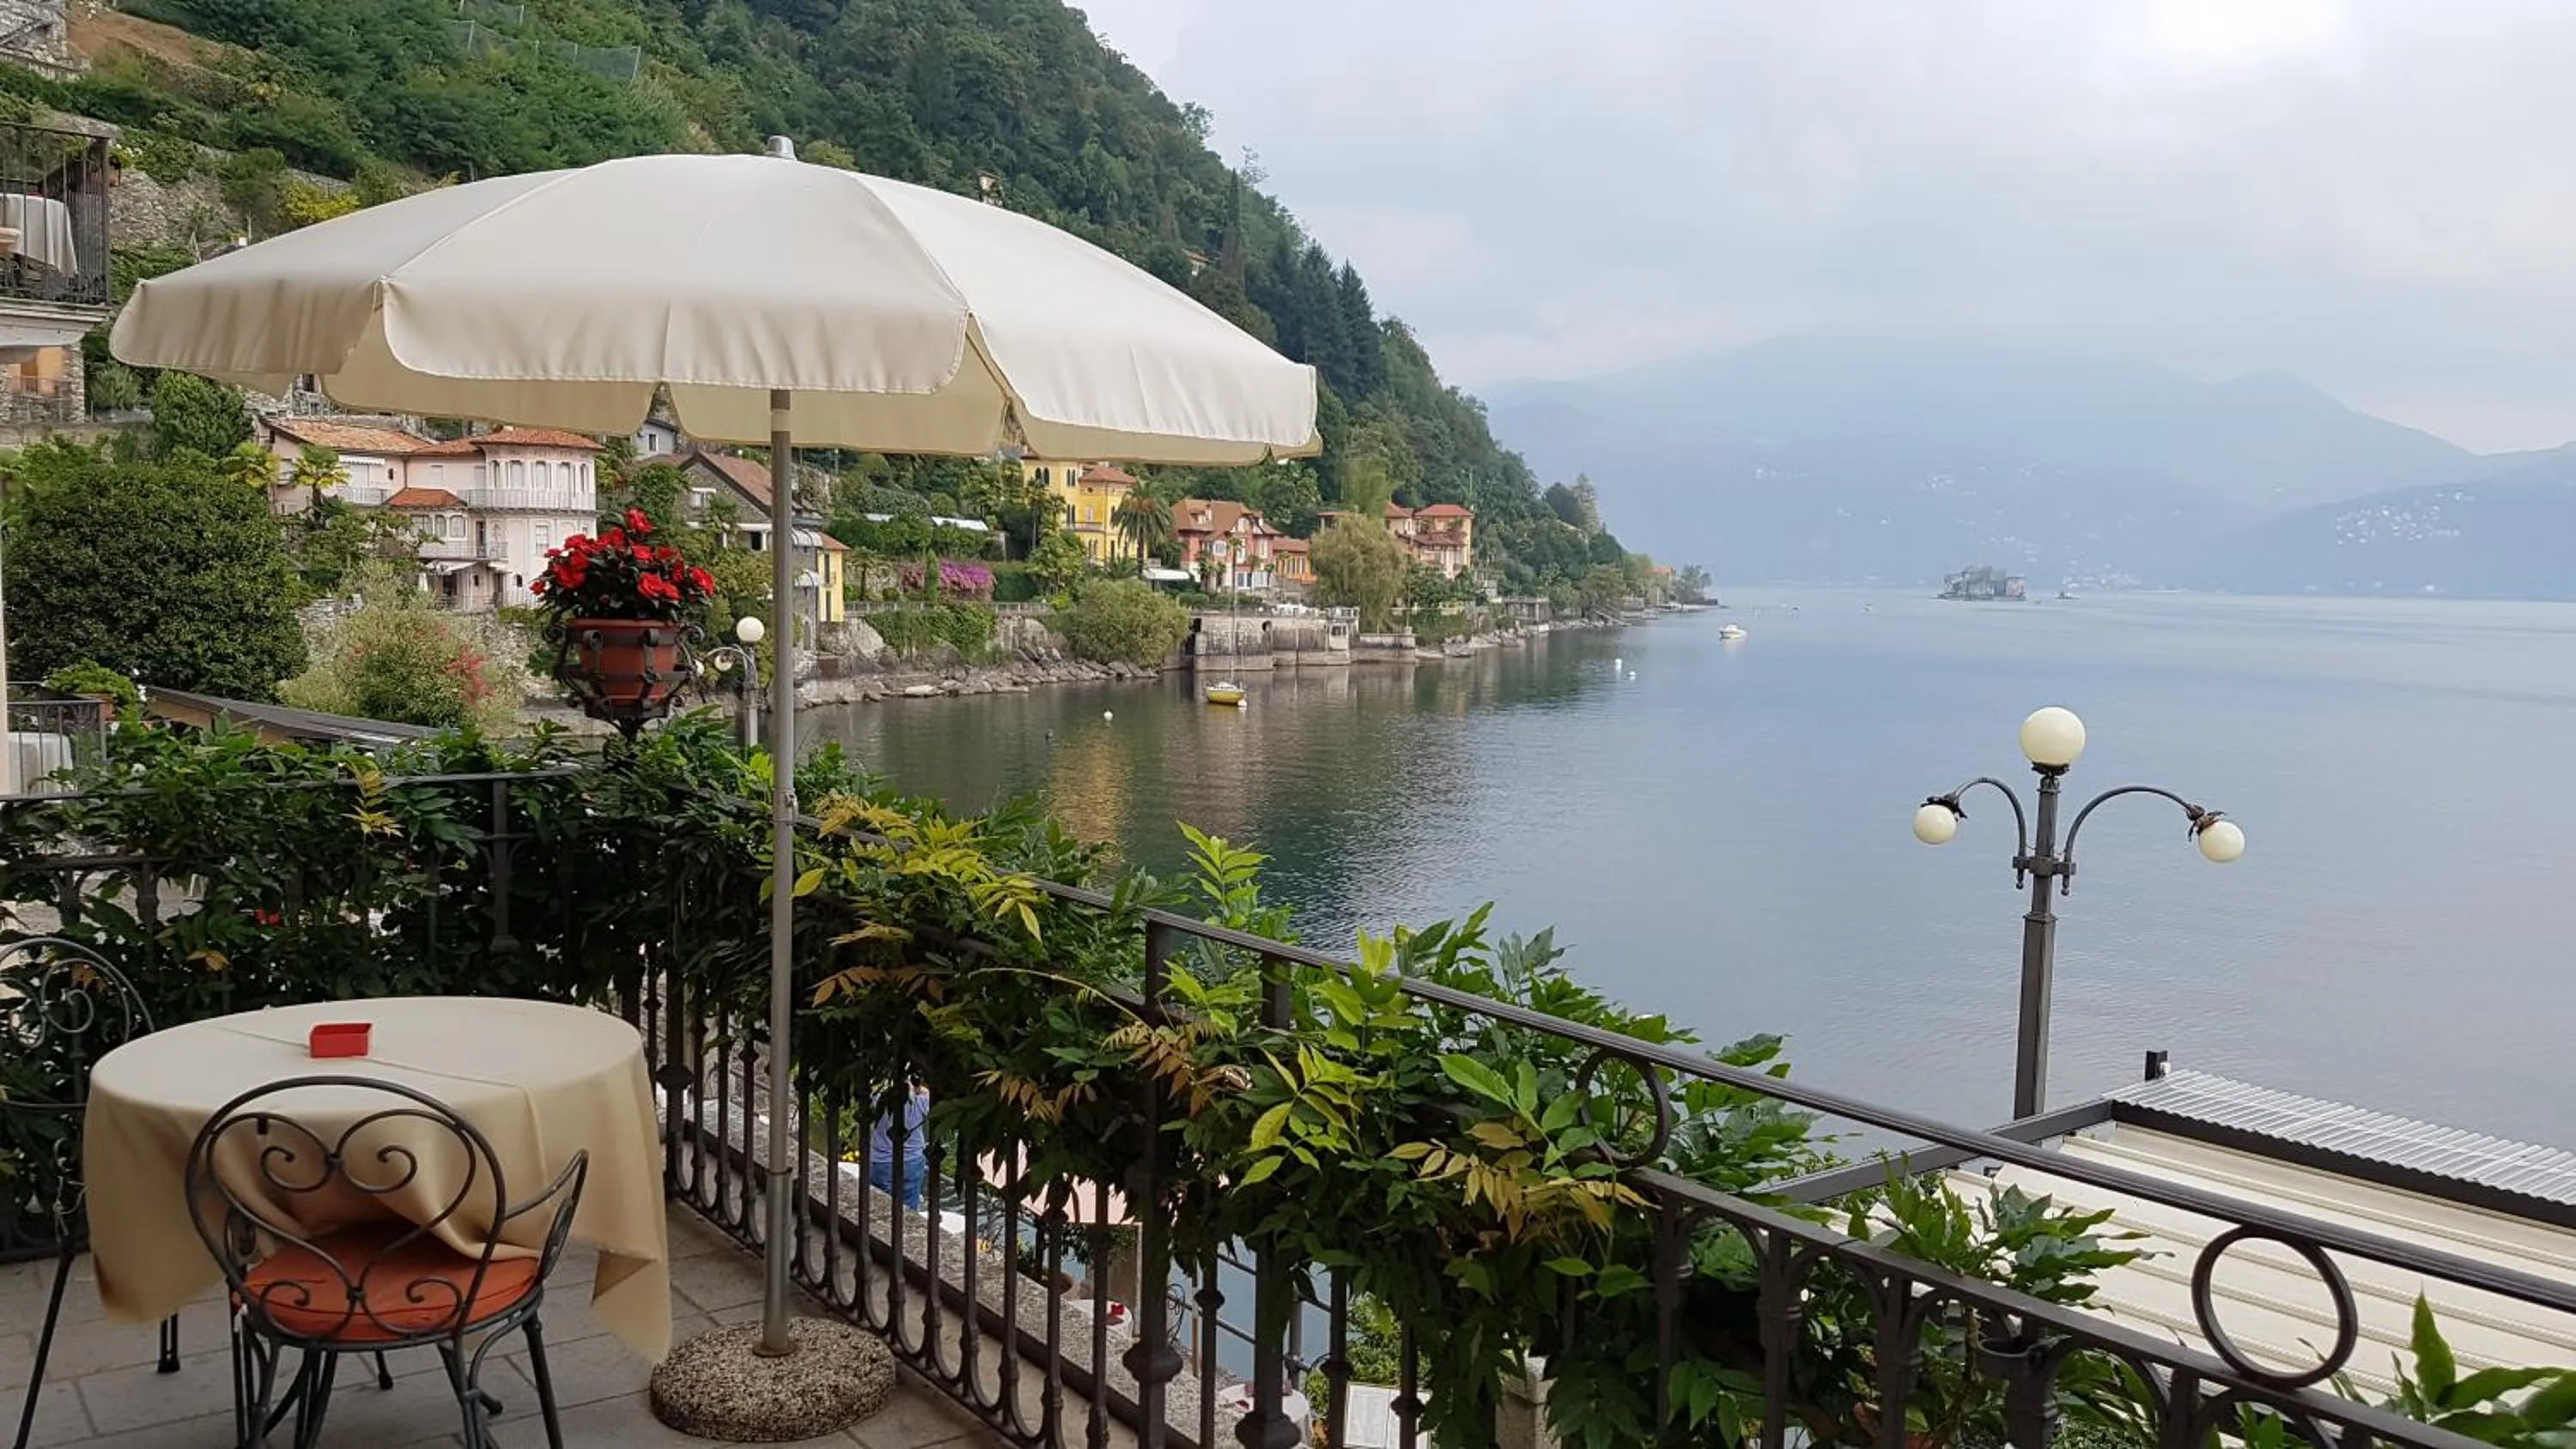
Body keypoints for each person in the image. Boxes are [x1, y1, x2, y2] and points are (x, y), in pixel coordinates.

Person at [866, 1083, 932, 1210]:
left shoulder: (877, 1099)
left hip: (881, 1160)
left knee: (879, 1205)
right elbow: (928, 1096)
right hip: (912, 1160)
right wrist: (917, 1088)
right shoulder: (919, 1101)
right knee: (908, 1207)